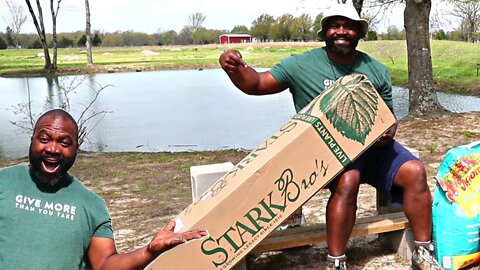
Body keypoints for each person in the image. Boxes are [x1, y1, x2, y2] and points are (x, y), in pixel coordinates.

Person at [219, 4, 442, 270]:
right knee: (349, 179)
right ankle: (336, 261)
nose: (342, 31)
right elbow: (256, 83)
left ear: (359, 33)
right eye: (335, 25)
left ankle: (423, 252)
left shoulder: (376, 69)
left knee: (416, 171)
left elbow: (389, 116)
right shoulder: (301, 64)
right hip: (327, 154)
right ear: (325, 32)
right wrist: (234, 68)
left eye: (349, 26)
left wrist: (388, 132)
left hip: (373, 151)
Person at [0, 108, 208, 270]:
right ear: (32, 140)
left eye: (64, 142)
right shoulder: (4, 182)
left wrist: (148, 251)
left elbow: (105, 264)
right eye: (44, 139)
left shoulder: (91, 205)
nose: (53, 149)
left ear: (75, 149)